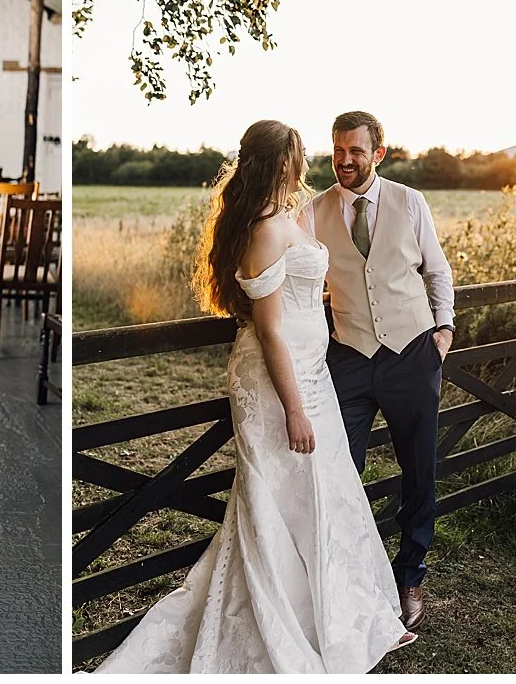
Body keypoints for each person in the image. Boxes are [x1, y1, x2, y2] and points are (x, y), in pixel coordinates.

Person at [94, 120, 414, 673]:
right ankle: (282, 629)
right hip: (278, 380)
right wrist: (294, 409)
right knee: (279, 497)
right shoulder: (265, 228)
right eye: (298, 156)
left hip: (311, 369)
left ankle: (335, 617)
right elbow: (270, 331)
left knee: (322, 490)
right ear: (278, 162)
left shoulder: (286, 213)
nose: (306, 165)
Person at [300, 110, 455, 631]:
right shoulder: (313, 210)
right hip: (348, 356)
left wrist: (445, 331)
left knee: (419, 472)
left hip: (412, 353)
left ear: (378, 154)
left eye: (355, 152)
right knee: (338, 472)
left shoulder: (410, 202)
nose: (344, 160)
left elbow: (437, 270)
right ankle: (344, 579)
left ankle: (410, 576)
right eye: (338, 151)